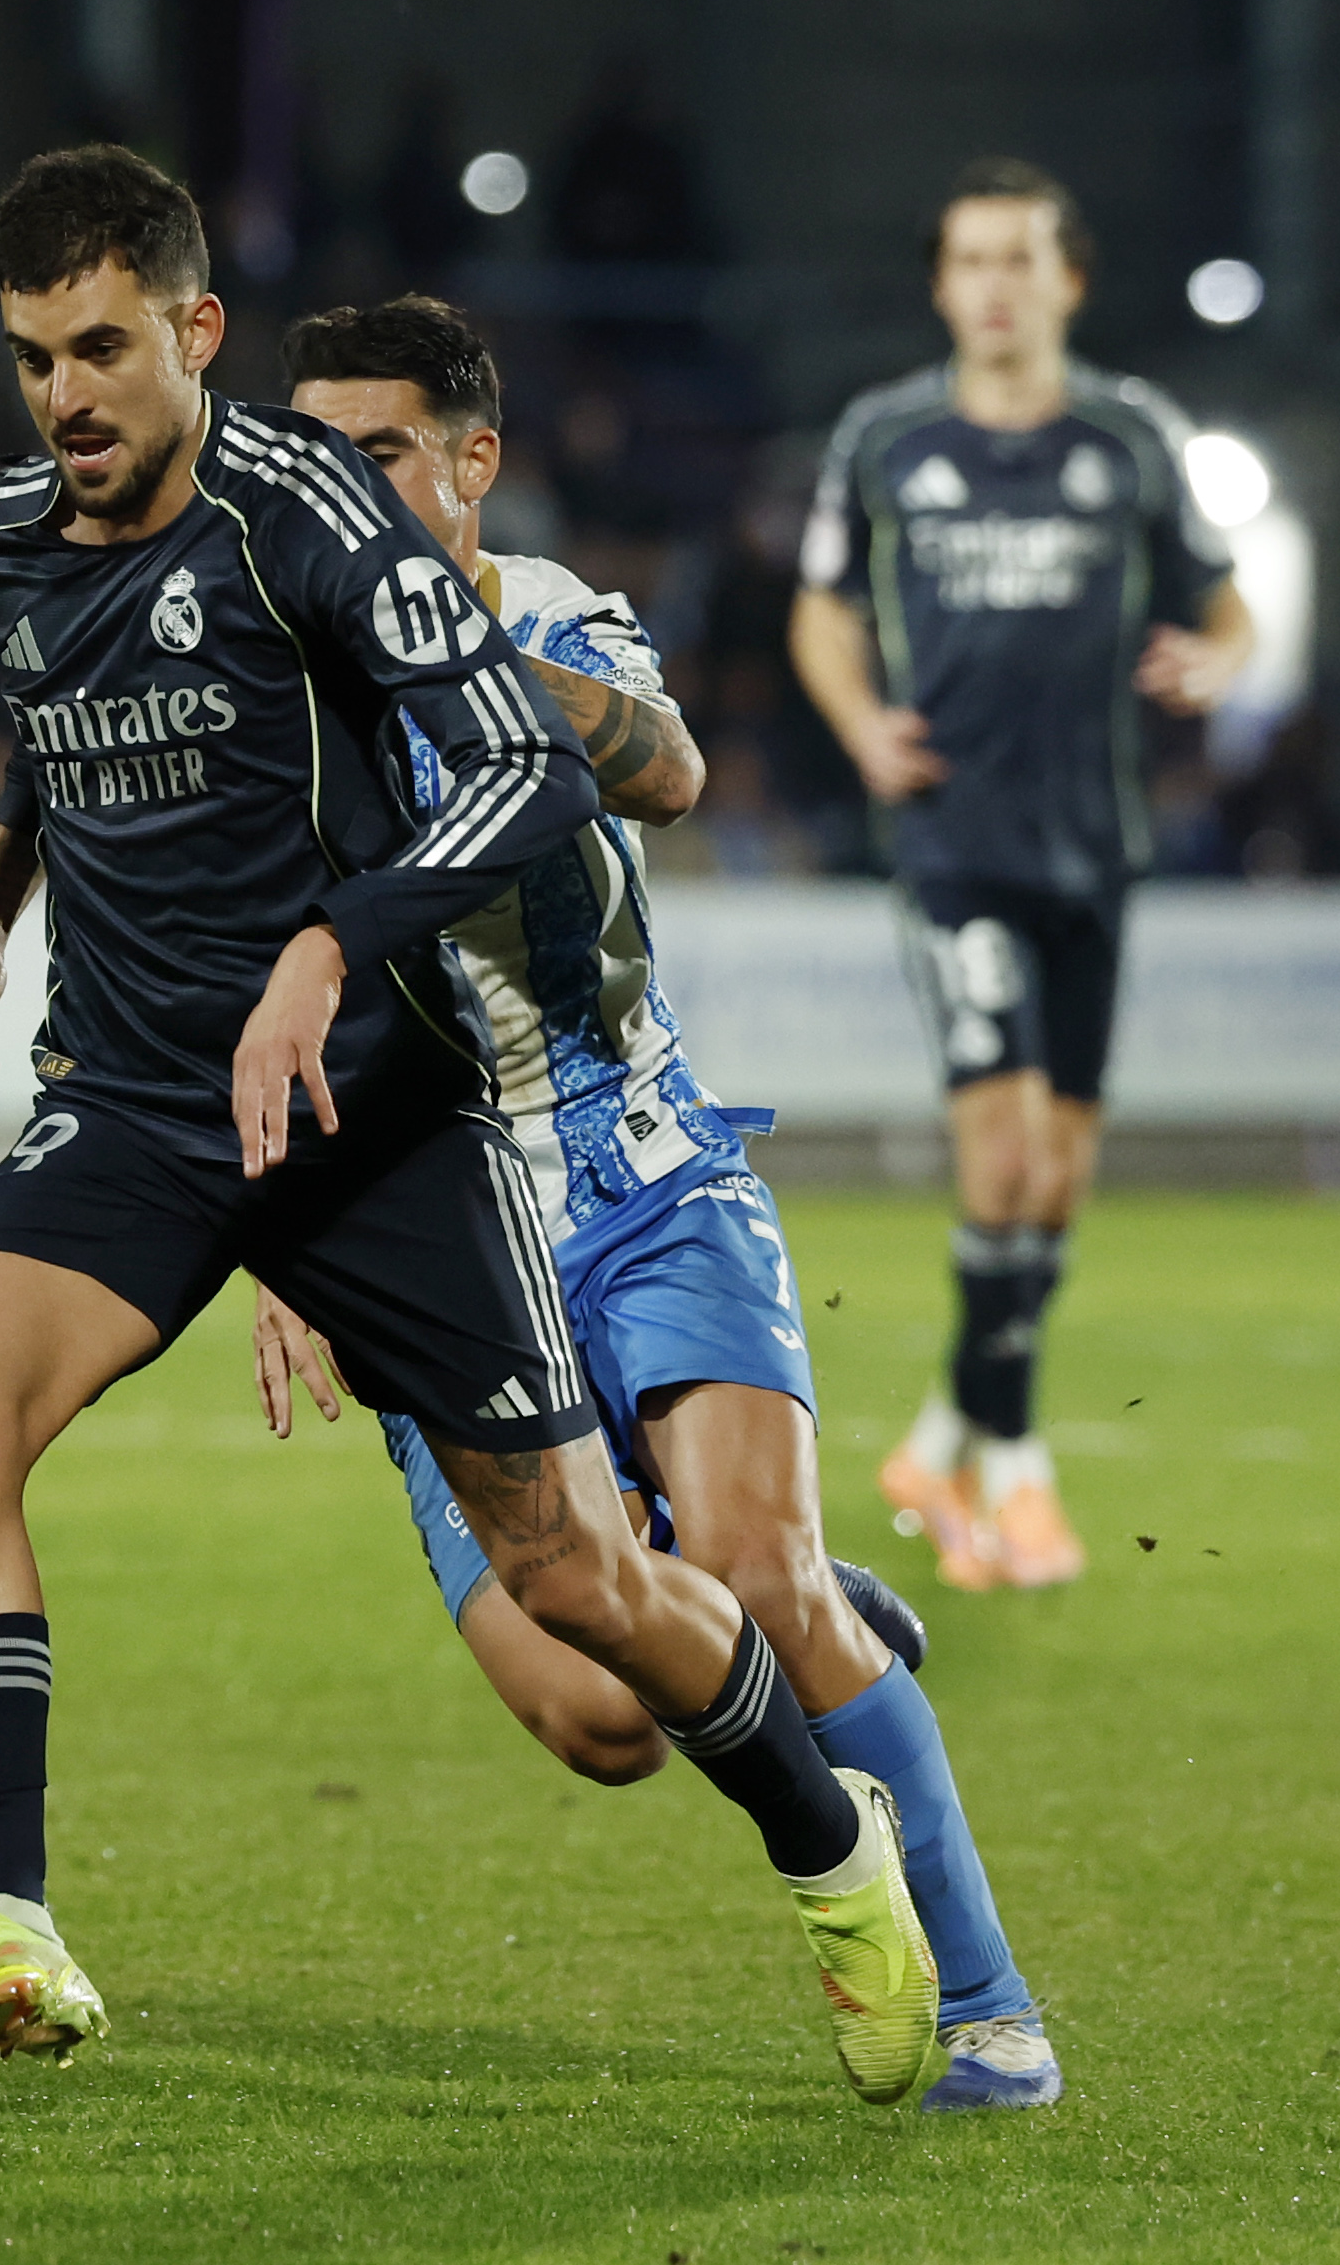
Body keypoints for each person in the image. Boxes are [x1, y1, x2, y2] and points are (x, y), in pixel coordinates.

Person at [0, 146, 939, 2106]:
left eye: (101, 349)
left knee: (580, 1590)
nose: (64, 399)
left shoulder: (307, 517)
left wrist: (328, 943)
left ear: (195, 333)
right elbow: (49, 728)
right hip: (134, 1103)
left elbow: (536, 769)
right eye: (31, 359)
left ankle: (827, 1842)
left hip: (372, 1111)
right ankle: (5, 1922)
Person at [253, 292, 1057, 2110]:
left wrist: (445, 648)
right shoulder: (265, 689)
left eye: (379, 454)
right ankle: (753, 1582)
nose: (340, 493)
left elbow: (668, 772)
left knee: (762, 1583)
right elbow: (243, 974)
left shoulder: (547, 613)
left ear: (473, 462)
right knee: (605, 1718)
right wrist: (282, 1243)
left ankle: (990, 2007)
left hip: (644, 1174)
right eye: (311, 459)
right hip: (433, 1237)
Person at [787, 158, 1254, 1593]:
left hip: (1094, 844)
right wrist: (862, 727)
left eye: (1018, 259)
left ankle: (938, 1442)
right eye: (971, 261)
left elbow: (1226, 601)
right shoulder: (885, 437)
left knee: (1057, 1179)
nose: (993, 286)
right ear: (942, 287)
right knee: (999, 1158)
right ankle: (1018, 1474)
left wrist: (1218, 659)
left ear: (1069, 281)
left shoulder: (1131, 433)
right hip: (953, 847)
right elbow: (822, 610)